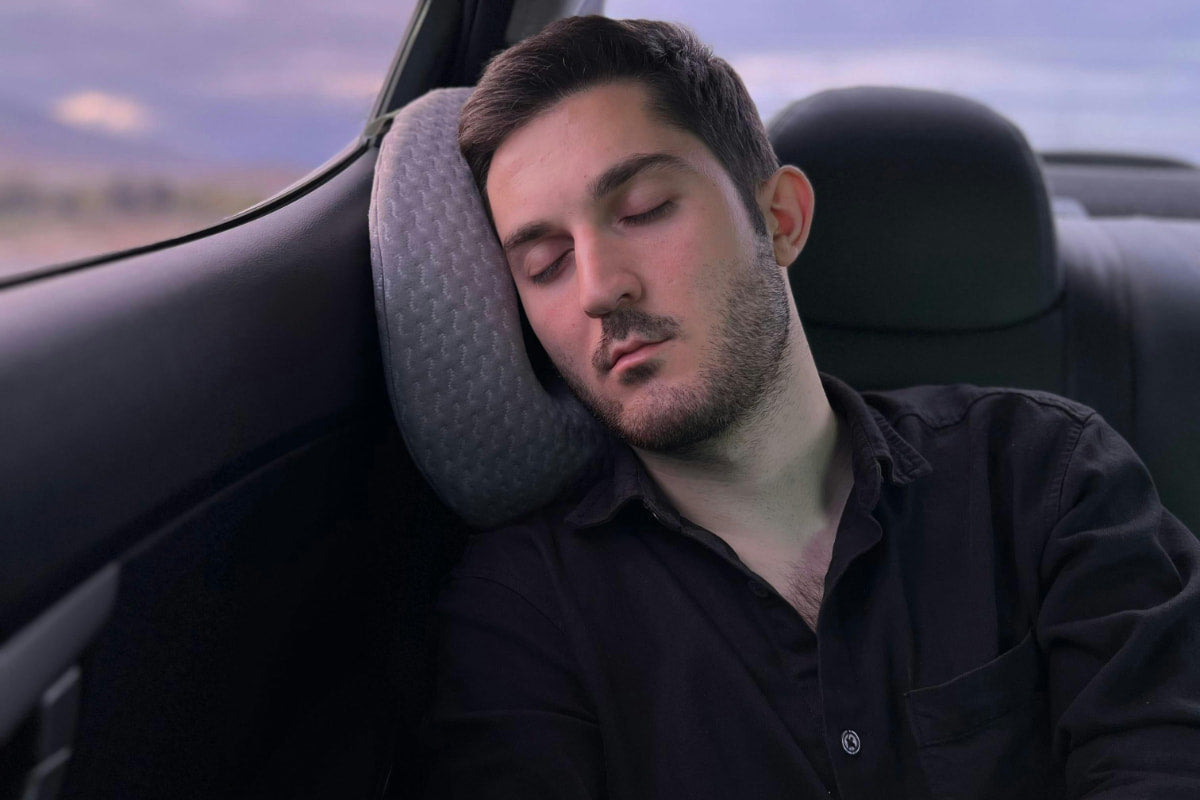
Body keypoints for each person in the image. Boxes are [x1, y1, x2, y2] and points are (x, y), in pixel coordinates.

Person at [423, 15, 1200, 799]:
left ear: (781, 219)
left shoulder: (1047, 480)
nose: (597, 289)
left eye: (645, 209)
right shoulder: (524, 613)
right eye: (546, 264)